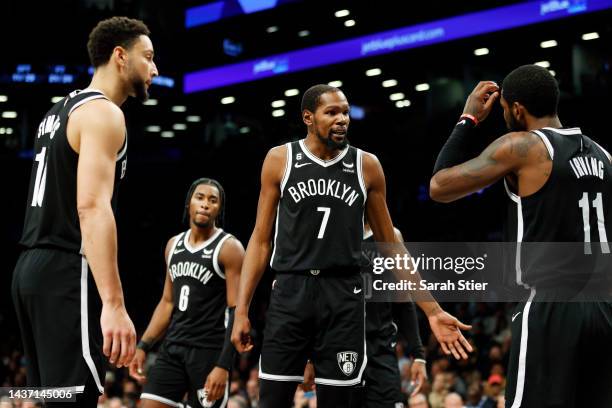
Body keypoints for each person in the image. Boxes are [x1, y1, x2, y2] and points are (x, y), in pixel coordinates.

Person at [231, 84, 472, 408]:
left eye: (345, 112)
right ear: (308, 117)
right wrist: (242, 310)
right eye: (332, 112)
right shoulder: (280, 159)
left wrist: (432, 309)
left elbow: (391, 246)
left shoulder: (367, 166)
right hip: (290, 291)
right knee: (272, 400)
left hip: (343, 295)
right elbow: (260, 239)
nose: (342, 119)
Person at [430, 64, 612, 407]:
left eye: (503, 110)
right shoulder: (604, 156)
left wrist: (467, 120)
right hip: (605, 305)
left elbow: (440, 187)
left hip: (549, 304)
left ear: (517, 109)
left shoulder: (524, 147)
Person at [11, 17, 158, 407]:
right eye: (148, 57)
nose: (155, 69)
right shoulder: (105, 114)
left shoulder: (57, 111)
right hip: (66, 270)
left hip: (31, 269)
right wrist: (114, 304)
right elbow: (92, 207)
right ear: (120, 56)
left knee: (52, 399)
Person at [129, 178, 245, 408]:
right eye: (199, 198)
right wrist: (143, 345)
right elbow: (167, 302)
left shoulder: (229, 248)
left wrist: (224, 365)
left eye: (213, 200)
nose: (205, 204)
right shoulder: (173, 245)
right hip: (173, 348)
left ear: (219, 209)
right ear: (189, 204)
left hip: (209, 353)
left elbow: (237, 311)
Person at [303, 220, 428, 408]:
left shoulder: (390, 235)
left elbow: (403, 300)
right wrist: (309, 358)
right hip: (337, 348)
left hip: (380, 349)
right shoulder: (327, 237)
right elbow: (315, 303)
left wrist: (418, 355)